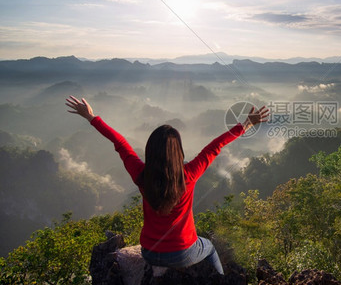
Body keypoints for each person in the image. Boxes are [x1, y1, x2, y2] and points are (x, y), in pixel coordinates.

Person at [65, 95, 269, 274]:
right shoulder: (189, 175)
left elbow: (120, 143)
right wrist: (247, 125)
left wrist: (91, 117)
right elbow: (216, 146)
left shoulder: (141, 175)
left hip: (150, 253)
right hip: (183, 253)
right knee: (210, 248)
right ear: (178, 151)